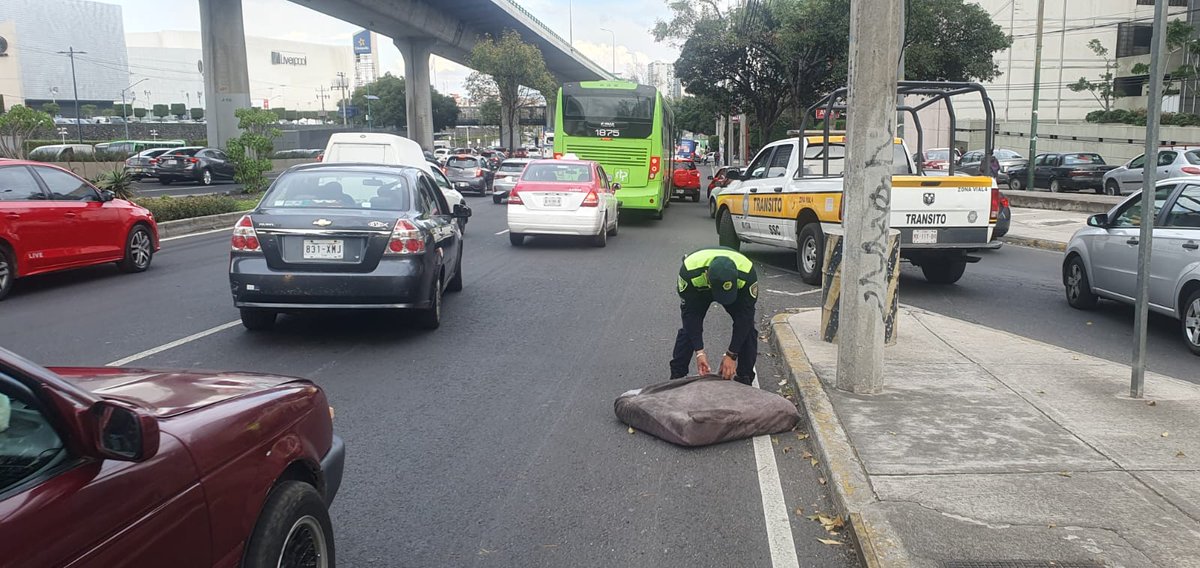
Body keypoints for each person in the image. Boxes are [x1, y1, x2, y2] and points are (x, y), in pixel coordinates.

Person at [670, 247, 759, 385]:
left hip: (738, 290)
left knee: (748, 330)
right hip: (699, 290)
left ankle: (744, 378)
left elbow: (745, 318)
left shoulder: (747, 274)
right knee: (688, 329)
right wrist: (699, 352)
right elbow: (690, 316)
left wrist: (731, 354)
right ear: (707, 277)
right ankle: (677, 377)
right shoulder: (688, 272)